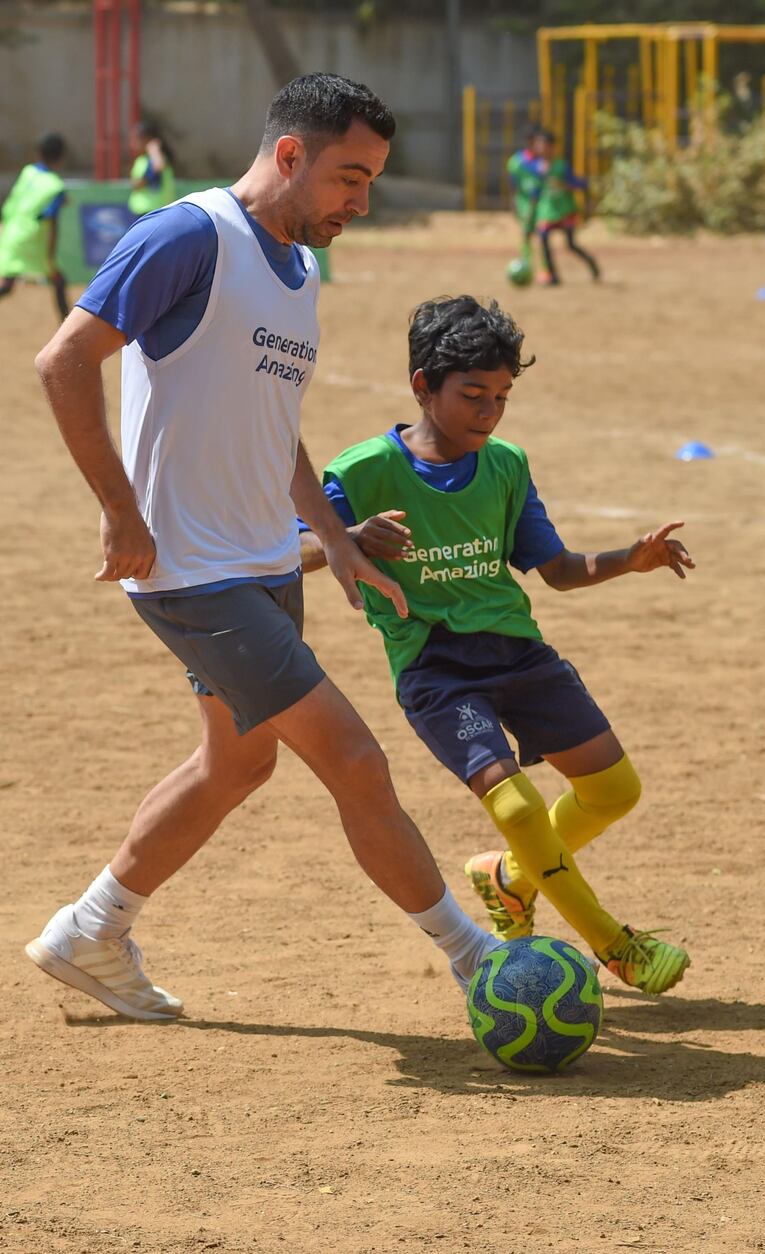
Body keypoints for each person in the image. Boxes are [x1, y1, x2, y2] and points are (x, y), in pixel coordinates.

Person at [26, 74, 498, 1022]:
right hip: (193, 573)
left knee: (237, 764)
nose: (361, 204)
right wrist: (121, 513)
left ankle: (89, 929)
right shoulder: (187, 236)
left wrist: (333, 536)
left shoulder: (301, 267)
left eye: (370, 183)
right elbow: (64, 358)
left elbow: (271, 423)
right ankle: (477, 957)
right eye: (349, 179)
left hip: (262, 561)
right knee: (357, 760)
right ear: (290, 155)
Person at [299, 295, 692, 995]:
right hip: (435, 667)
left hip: (518, 653)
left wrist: (628, 560)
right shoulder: (361, 472)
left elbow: (559, 570)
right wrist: (345, 539)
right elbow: (287, 548)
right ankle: (615, 946)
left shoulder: (506, 465)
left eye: (503, 396)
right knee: (512, 805)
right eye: (473, 394)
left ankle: (509, 879)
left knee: (612, 789)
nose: (490, 410)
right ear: (423, 387)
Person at [0, 132, 70, 320]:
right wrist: (51, 256)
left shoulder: (28, 172)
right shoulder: (56, 187)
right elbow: (52, 224)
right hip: (32, 239)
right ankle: (67, 325)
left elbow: (13, 201)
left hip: (12, 232)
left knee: (6, 285)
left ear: (39, 153)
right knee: (59, 280)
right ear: (62, 157)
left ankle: (66, 323)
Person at [532, 130, 600, 286]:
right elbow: (536, 191)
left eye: (543, 144)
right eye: (538, 144)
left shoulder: (561, 166)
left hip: (565, 211)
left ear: (551, 147)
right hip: (547, 211)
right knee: (543, 241)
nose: (540, 147)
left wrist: (565, 185)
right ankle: (553, 277)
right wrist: (531, 211)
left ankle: (592, 265)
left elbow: (580, 184)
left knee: (570, 245)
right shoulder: (537, 168)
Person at [505, 126, 545, 277]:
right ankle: (526, 266)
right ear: (530, 142)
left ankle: (545, 269)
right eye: (538, 142)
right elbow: (512, 185)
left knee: (543, 236)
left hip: (542, 204)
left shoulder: (545, 163)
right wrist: (513, 204)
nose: (541, 145)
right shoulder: (516, 162)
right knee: (526, 234)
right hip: (525, 204)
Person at [128, 121, 177, 216]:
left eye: (136, 138)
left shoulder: (158, 157)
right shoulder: (142, 159)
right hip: (140, 211)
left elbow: (158, 167)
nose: (133, 142)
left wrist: (154, 149)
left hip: (155, 211)